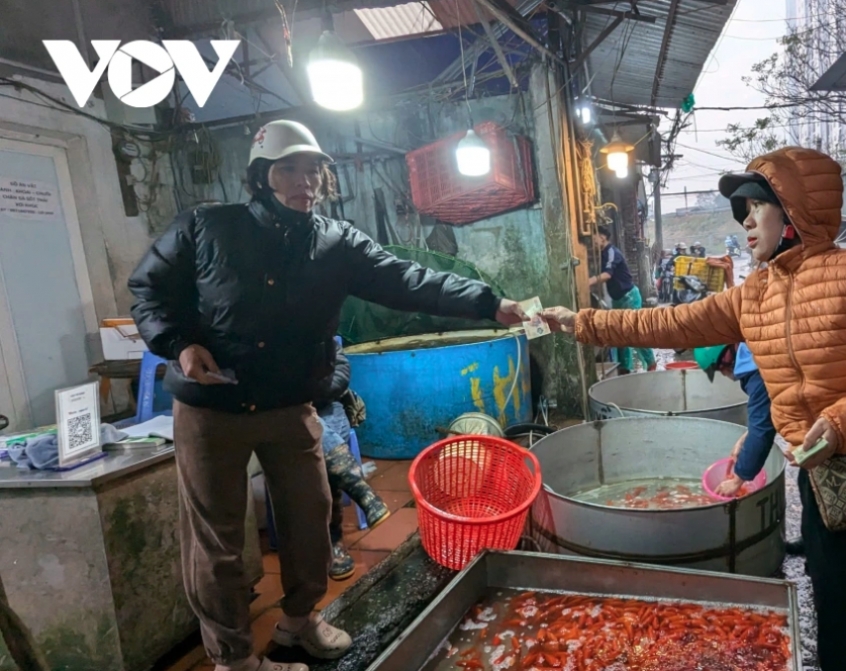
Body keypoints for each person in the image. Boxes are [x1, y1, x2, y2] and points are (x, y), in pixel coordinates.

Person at [541, 147, 846, 671]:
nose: (747, 221)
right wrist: (580, 323)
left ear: (795, 209)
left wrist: (843, 421)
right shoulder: (751, 295)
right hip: (828, 489)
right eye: (742, 211)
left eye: (757, 206)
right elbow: (668, 324)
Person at [128, 120, 527, 671]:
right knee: (217, 542)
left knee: (313, 516)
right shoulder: (207, 226)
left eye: (313, 168)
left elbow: (408, 279)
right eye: (288, 168)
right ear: (262, 176)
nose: (304, 180)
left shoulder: (337, 241)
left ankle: (298, 623)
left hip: (290, 403)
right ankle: (234, 660)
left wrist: (489, 302)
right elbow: (148, 288)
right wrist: (180, 343)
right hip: (210, 405)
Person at [694, 343, 803, 556]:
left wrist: (738, 480)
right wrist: (746, 437)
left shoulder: (758, 373)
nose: (724, 374)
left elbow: (762, 431)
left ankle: (822, 559)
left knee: (812, 486)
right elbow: (771, 410)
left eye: (719, 369)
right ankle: (811, 542)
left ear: (727, 357)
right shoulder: (753, 351)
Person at [316, 340, 387, 581]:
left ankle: (332, 541)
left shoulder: (314, 326)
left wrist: (313, 391)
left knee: (324, 430)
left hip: (324, 403)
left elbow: (341, 370)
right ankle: (360, 490)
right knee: (309, 427)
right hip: (285, 413)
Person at [590, 225, 656, 374]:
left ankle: (650, 362)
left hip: (629, 297)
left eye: (594, 239)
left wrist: (588, 281)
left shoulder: (612, 252)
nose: (593, 242)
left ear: (602, 237)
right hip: (618, 300)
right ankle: (625, 368)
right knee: (620, 334)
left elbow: (607, 274)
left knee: (634, 332)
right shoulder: (603, 254)